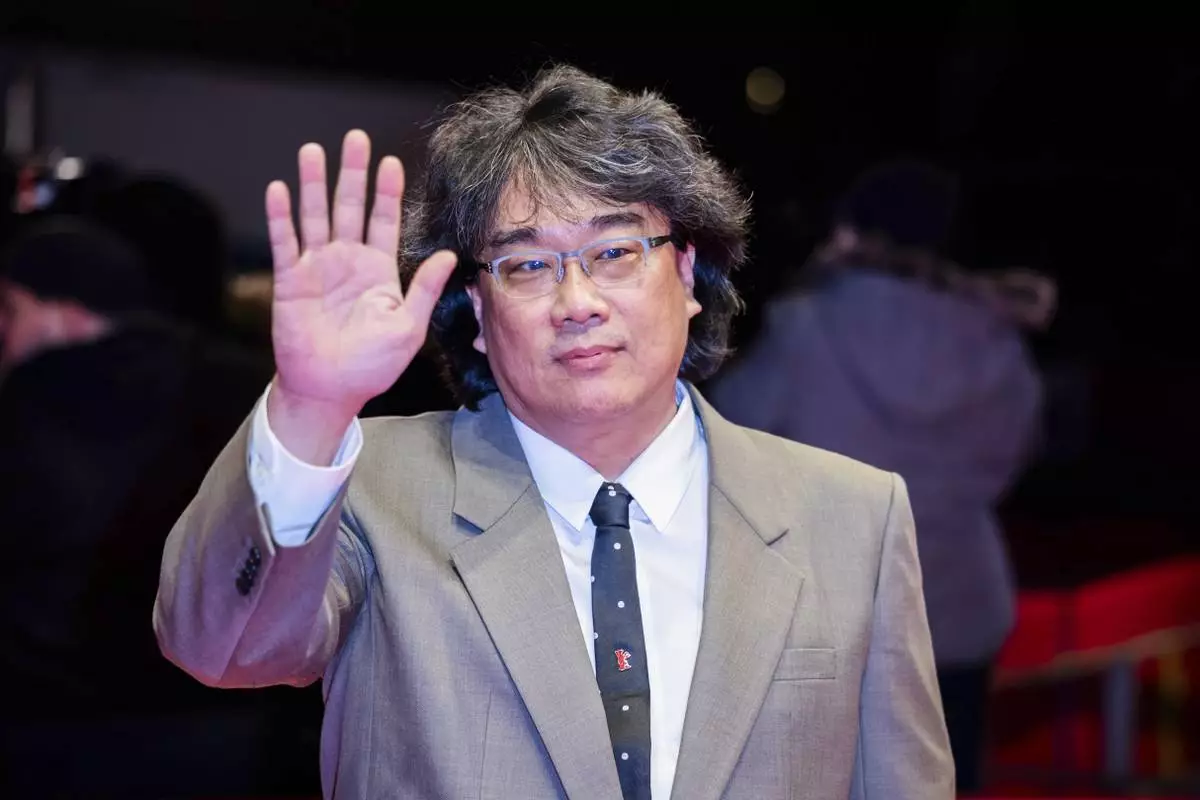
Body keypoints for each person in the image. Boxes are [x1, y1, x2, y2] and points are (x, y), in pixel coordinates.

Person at [155, 67, 953, 799]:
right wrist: (311, 408)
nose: (577, 302)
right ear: (475, 310)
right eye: (528, 266)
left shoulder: (853, 516)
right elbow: (220, 649)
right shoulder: (368, 490)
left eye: (614, 252)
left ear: (685, 273)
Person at [709, 160, 1048, 792]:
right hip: (959, 601)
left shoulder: (809, 323)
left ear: (852, 228)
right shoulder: (994, 333)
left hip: (836, 606)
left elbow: (726, 428)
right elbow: (1018, 452)